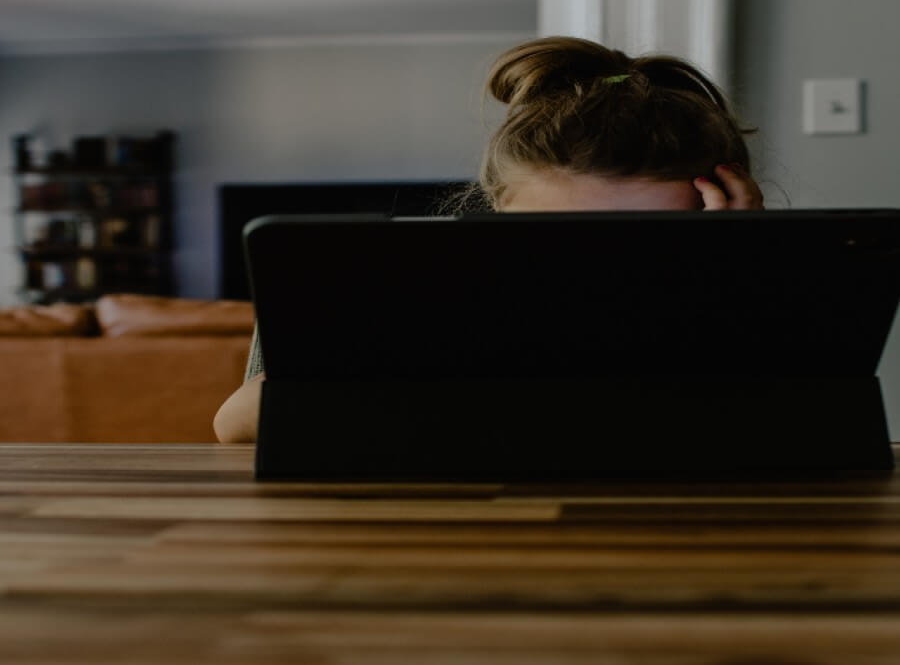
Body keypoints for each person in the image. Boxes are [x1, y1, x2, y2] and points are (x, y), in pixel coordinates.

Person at [213, 36, 764, 443]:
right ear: (499, 207)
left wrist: (733, 267)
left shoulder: (735, 295)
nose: (591, 264)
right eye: (552, 236)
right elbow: (235, 423)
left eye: (643, 236)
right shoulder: (420, 290)